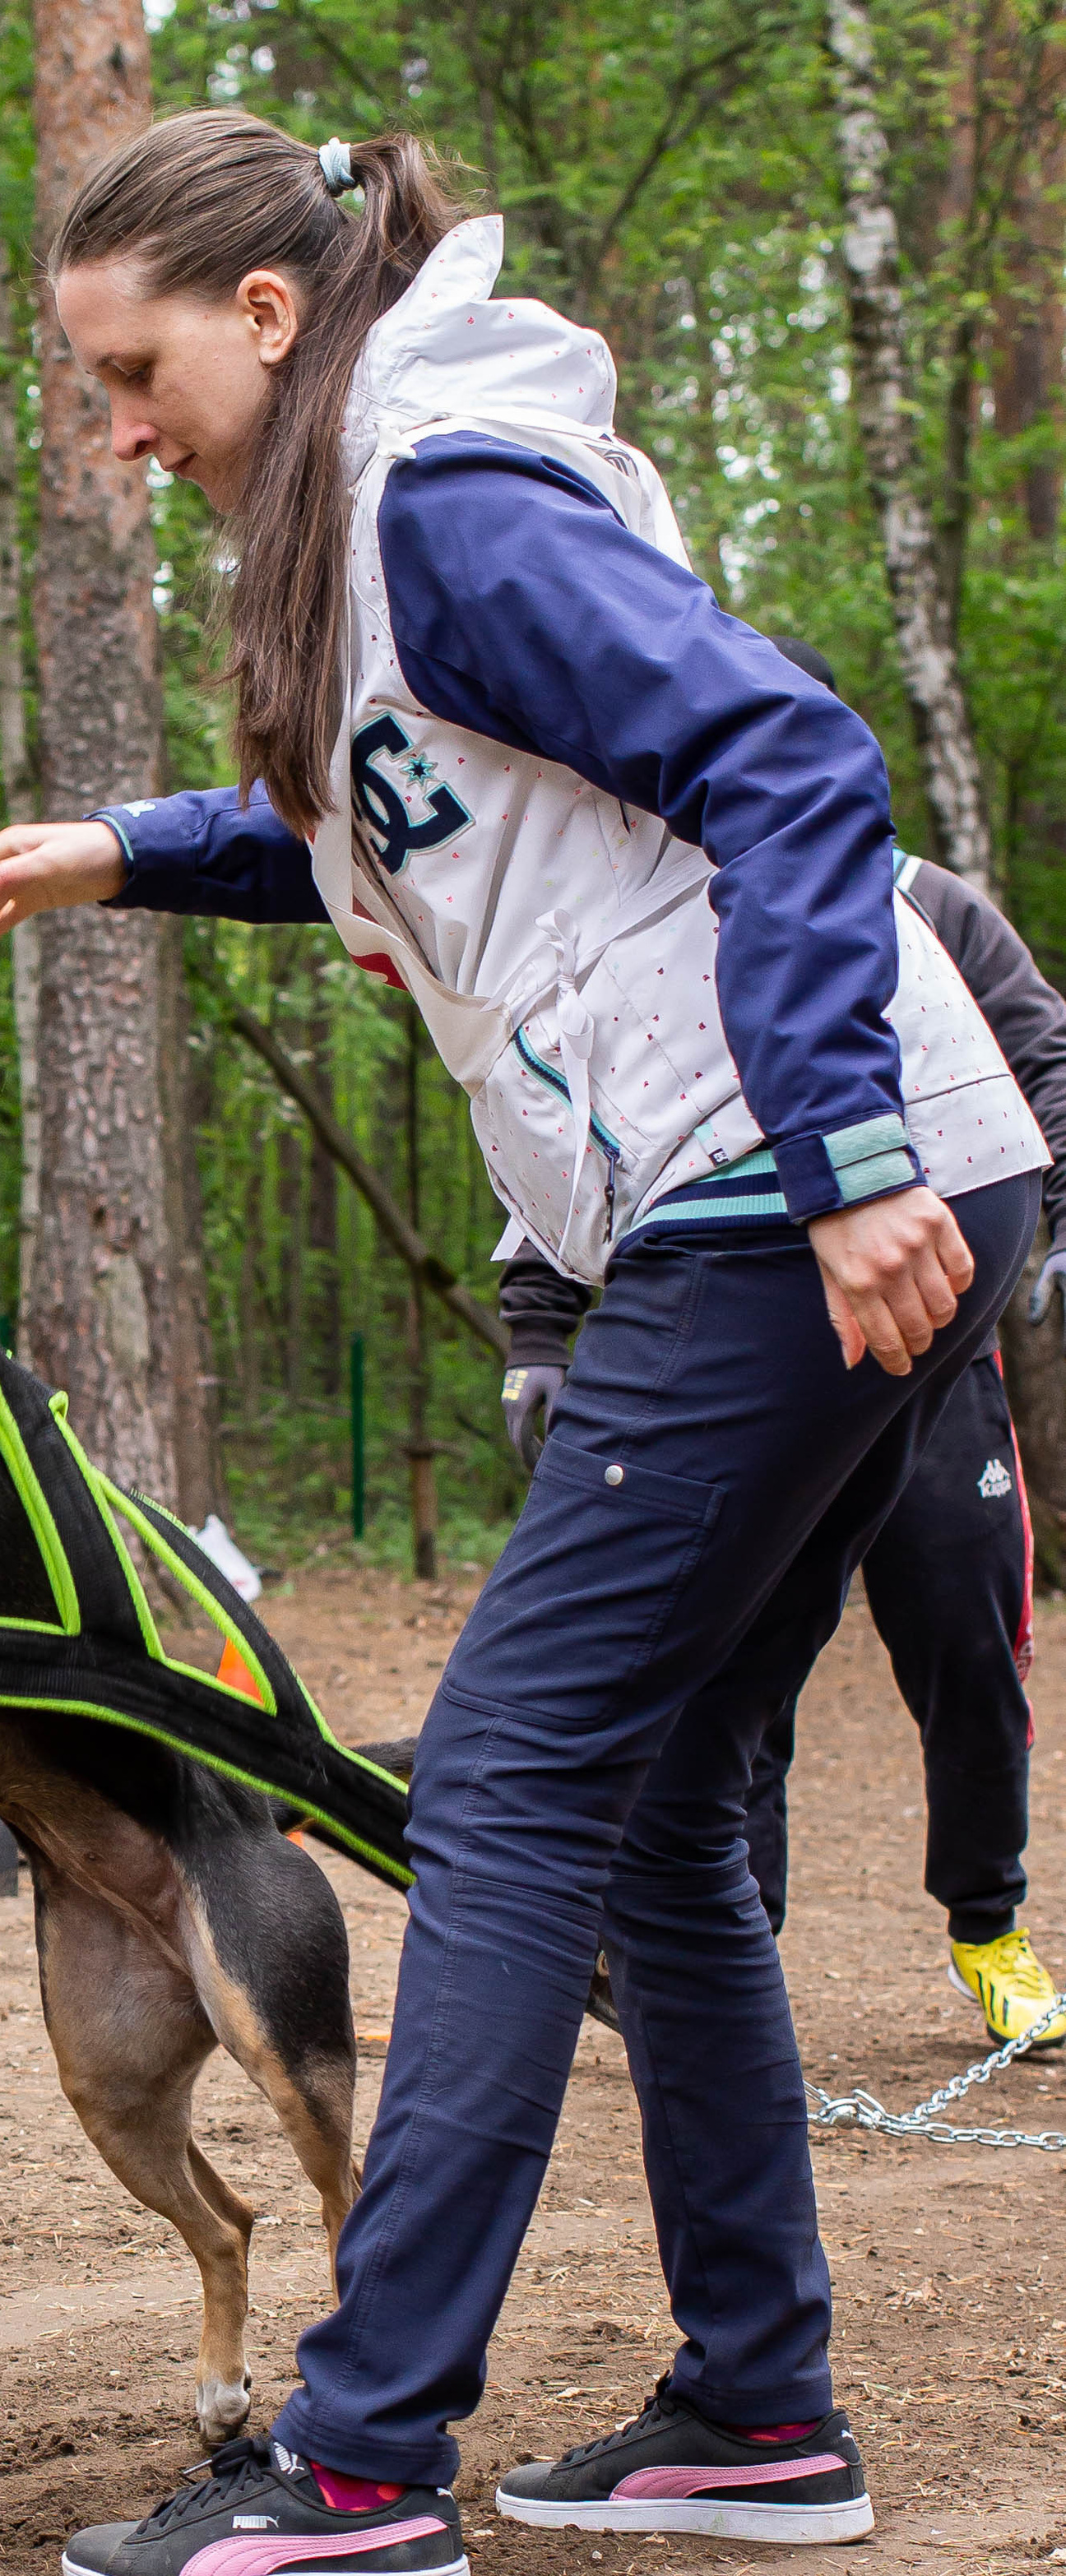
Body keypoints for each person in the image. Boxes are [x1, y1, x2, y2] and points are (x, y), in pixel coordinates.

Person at [0, 110, 1047, 2576]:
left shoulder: (439, 489)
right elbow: (404, 810)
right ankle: (752, 2407)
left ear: (270, 319)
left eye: (130, 376)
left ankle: (354, 2460)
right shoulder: (361, 549)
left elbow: (787, 756)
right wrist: (119, 844)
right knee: (641, 1807)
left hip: (788, 1179)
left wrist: (844, 1136)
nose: (116, 434)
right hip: (791, 1176)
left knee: (515, 1774)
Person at [500, 637, 1066, 2053]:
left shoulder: (929, 900)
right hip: (748, 1364)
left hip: (931, 1357)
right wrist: (538, 1334)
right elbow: (565, 1149)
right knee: (731, 1660)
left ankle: (990, 1924)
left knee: (967, 1651)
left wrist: (1041, 1221)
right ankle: (719, 1945)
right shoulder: (639, 914)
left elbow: (1045, 1059)